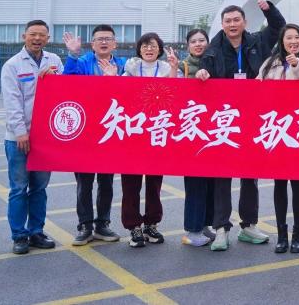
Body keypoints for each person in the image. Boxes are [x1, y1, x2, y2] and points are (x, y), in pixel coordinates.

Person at [197, 0, 285, 252]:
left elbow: (279, 27)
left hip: (252, 117)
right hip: (223, 121)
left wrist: (269, 8)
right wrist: (202, 73)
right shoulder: (212, 50)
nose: (233, 24)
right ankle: (221, 228)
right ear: (223, 24)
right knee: (222, 176)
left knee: (250, 174)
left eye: (237, 20)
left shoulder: (258, 41)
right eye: (228, 21)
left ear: (245, 22)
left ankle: (249, 225)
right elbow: (203, 74)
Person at [1, 20, 62, 255]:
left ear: (48, 38)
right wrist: (20, 132)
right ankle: (19, 235)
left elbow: (65, 91)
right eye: (33, 34)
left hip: (45, 137)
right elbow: (12, 102)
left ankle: (36, 231)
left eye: (42, 35)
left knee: (39, 188)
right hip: (18, 137)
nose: (37, 39)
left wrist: (55, 78)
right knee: (19, 188)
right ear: (24, 36)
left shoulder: (54, 60)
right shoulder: (12, 65)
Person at [63, 25, 123, 246]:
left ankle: (102, 224)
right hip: (85, 131)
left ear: (115, 43)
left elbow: (131, 92)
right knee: (84, 182)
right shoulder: (81, 62)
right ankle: (85, 225)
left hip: (109, 131)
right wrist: (72, 54)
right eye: (99, 39)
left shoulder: (124, 65)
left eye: (108, 38)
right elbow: (67, 83)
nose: (104, 42)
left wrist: (114, 80)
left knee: (106, 181)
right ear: (92, 44)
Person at [258, 23, 299, 254]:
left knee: (297, 182)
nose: (293, 41)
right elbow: (255, 90)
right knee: (279, 182)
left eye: (297, 37)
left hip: (298, 130)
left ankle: (298, 234)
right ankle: (282, 234)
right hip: (276, 130)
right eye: (289, 37)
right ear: (281, 41)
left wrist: (297, 65)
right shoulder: (269, 63)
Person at [119, 32, 177, 248]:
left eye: (153, 45)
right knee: (130, 184)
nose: (149, 49)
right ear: (139, 49)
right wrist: (112, 77)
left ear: (159, 48)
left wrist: (174, 69)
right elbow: (119, 91)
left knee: (154, 183)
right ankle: (133, 226)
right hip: (134, 132)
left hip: (157, 132)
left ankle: (151, 223)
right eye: (144, 46)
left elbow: (176, 91)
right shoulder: (131, 68)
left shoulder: (166, 68)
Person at [178, 28, 216, 248]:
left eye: (202, 40)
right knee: (195, 183)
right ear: (188, 46)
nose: (199, 44)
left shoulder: (215, 64)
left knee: (210, 182)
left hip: (212, 131)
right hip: (191, 132)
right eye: (194, 41)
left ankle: (204, 225)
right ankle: (192, 230)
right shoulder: (182, 67)